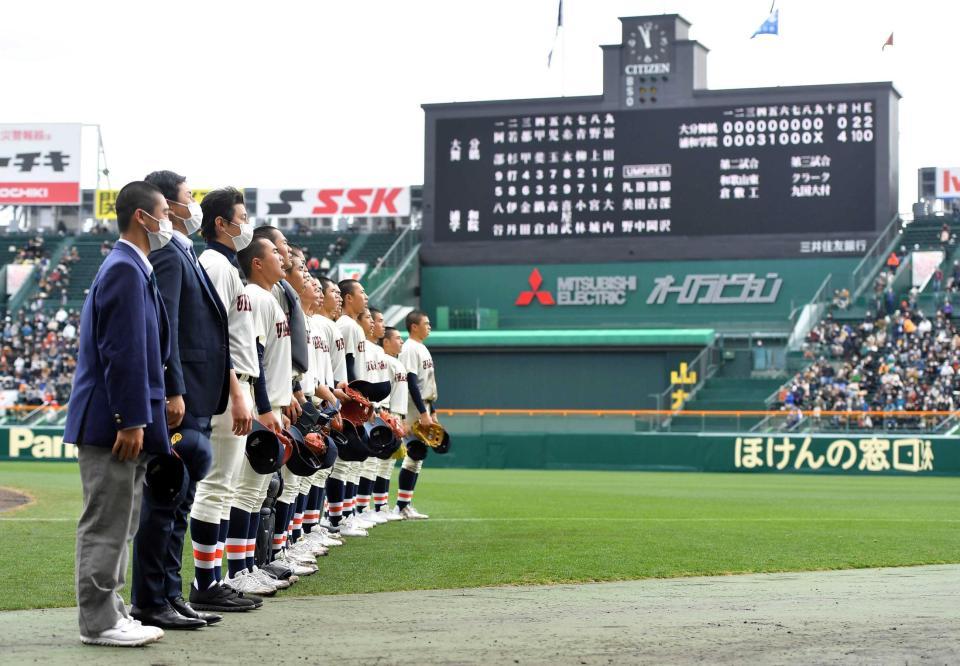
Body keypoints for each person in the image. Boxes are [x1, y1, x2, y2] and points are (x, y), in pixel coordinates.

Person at [66, 181, 172, 647]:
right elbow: (123, 351)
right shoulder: (125, 269)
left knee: (122, 523)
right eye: (165, 211)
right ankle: (98, 622)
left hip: (124, 419)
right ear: (141, 217)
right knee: (107, 524)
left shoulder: (134, 268)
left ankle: (114, 611)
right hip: (112, 422)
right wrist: (130, 418)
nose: (170, 218)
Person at [130, 171, 231, 630]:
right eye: (189, 198)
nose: (194, 205)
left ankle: (171, 593)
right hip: (183, 398)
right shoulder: (169, 253)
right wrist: (174, 388)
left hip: (196, 397)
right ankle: (150, 600)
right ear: (167, 206)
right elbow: (165, 324)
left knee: (182, 501)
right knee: (166, 499)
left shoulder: (184, 250)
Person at [188, 187, 260, 613]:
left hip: (234, 383)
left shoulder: (223, 263)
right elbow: (212, 334)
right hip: (226, 385)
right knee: (216, 487)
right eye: (241, 215)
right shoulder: (215, 264)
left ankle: (212, 579)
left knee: (224, 486)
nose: (245, 223)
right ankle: (205, 582)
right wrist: (235, 389)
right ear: (221, 223)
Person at [395, 310, 438, 520]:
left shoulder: (421, 347)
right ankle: (401, 506)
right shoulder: (410, 348)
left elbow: (427, 383)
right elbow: (411, 382)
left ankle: (405, 504)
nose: (429, 326)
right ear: (414, 326)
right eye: (426, 323)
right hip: (414, 408)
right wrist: (422, 412)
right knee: (415, 452)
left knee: (417, 456)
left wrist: (432, 411)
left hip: (424, 406)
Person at [373, 326, 409, 518]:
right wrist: (387, 415)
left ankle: (382, 506)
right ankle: (379, 507)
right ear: (385, 342)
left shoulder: (396, 361)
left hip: (396, 414)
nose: (401, 341)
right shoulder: (385, 361)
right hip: (388, 413)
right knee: (381, 463)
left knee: (387, 464)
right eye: (397, 338)